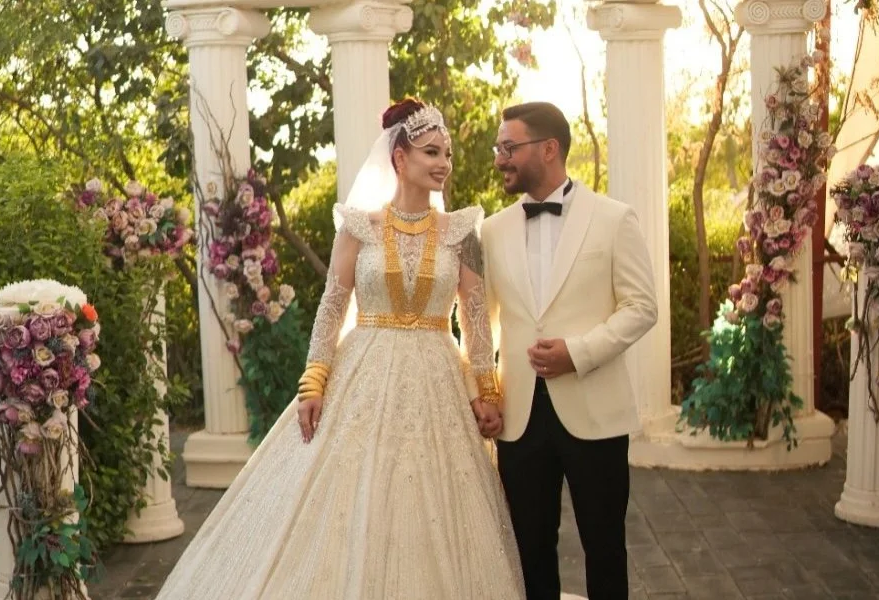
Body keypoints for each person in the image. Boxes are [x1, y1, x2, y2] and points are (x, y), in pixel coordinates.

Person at [157, 98, 524, 599]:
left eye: (447, 154)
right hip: (363, 372)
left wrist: (486, 388)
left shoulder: (462, 233)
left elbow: (475, 317)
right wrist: (314, 381)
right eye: (431, 152)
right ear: (399, 158)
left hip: (438, 379)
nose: (444, 163)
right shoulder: (358, 227)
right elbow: (332, 307)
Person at [482, 102, 658, 600]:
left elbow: (642, 307)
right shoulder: (492, 230)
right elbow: (483, 323)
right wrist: (487, 392)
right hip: (519, 418)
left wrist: (577, 353)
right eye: (499, 148)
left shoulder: (614, 219)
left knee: (605, 548)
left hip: (595, 409)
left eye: (509, 147)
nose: (500, 159)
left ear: (549, 149)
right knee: (529, 550)